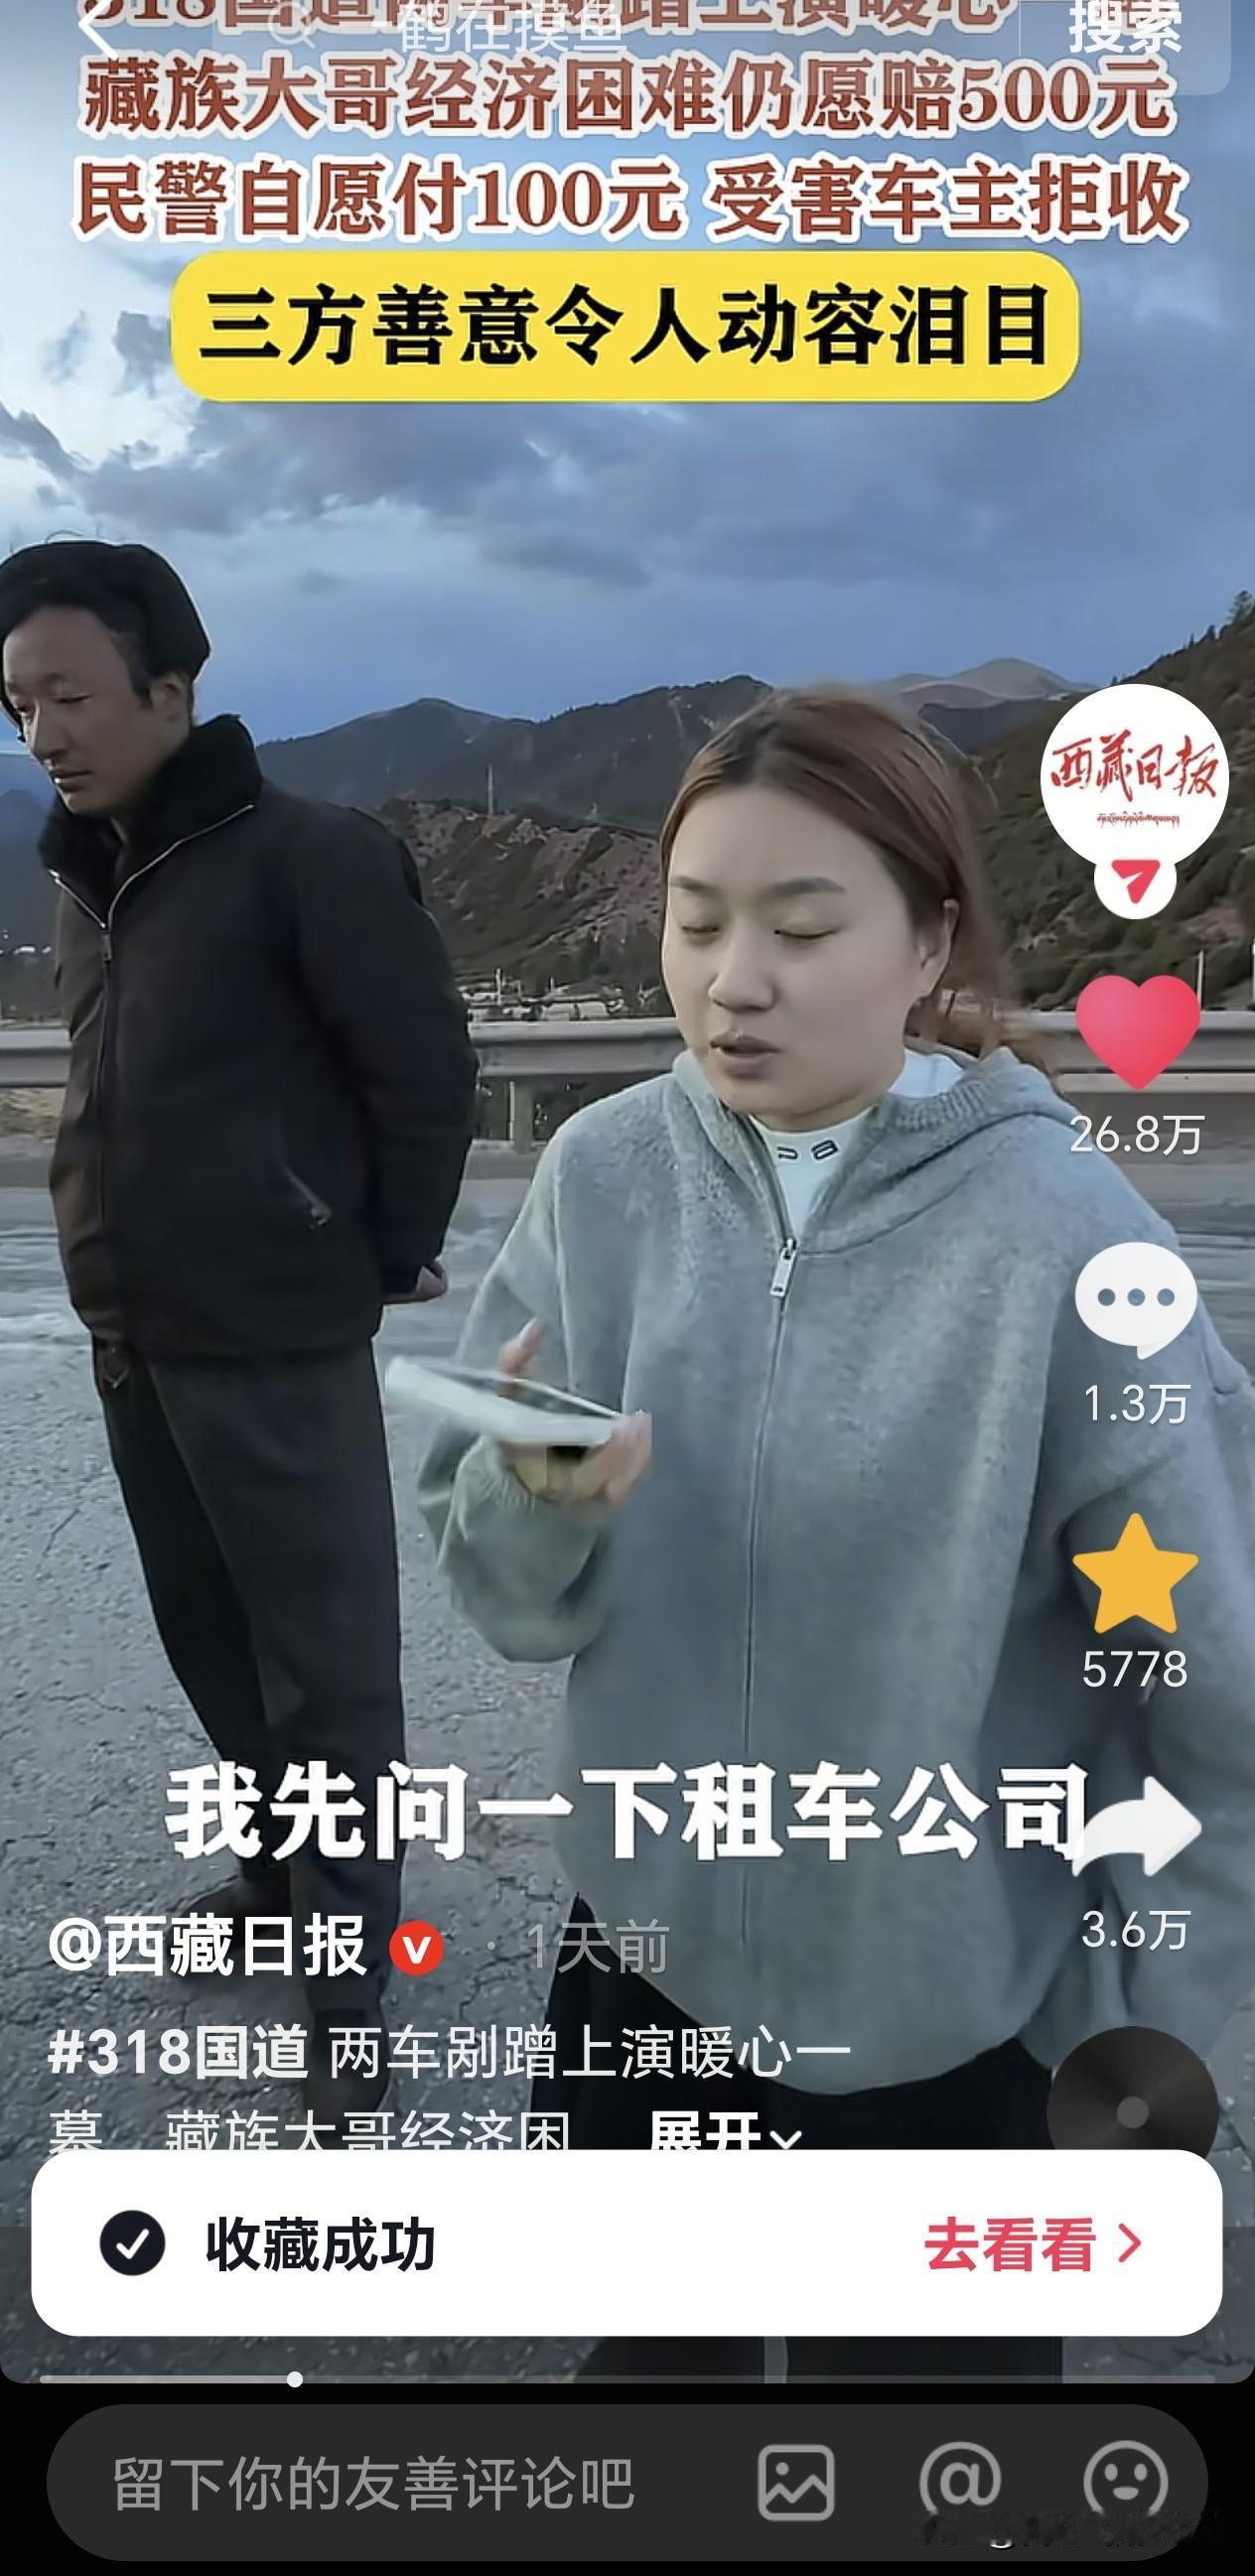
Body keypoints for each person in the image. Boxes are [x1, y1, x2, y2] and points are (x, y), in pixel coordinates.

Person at [414, 684, 1255, 2382]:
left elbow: (1213, 1703)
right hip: (650, 1967)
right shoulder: (605, 1179)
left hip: (952, 2024)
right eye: (695, 921)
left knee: (931, 2460)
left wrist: (1134, 2029)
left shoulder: (1067, 1241)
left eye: (803, 928)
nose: (735, 981)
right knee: (660, 2407)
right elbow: (507, 1602)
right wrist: (528, 1503)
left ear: (928, 939)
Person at [0, 538, 480, 2132]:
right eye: (17, 707)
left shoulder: (312, 857)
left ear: (172, 687)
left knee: (326, 1680)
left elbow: (423, 1071)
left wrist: (377, 1251)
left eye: (70, 696)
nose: (44, 735)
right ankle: (279, 1886)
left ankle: (351, 1992)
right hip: (132, 1329)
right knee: (213, 1647)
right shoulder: (90, 875)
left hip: (274, 1334)